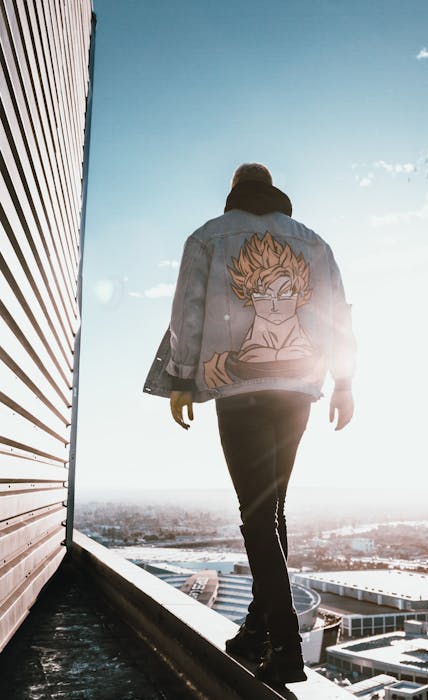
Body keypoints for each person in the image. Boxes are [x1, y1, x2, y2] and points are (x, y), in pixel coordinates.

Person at [144, 163, 356, 686]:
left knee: (256, 514)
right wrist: (345, 382)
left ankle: (286, 648)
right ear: (275, 192)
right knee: (273, 508)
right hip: (298, 392)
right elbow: (338, 316)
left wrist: (179, 381)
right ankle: (257, 631)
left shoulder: (207, 238)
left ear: (234, 192)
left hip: (238, 392)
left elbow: (187, 317)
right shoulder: (315, 243)